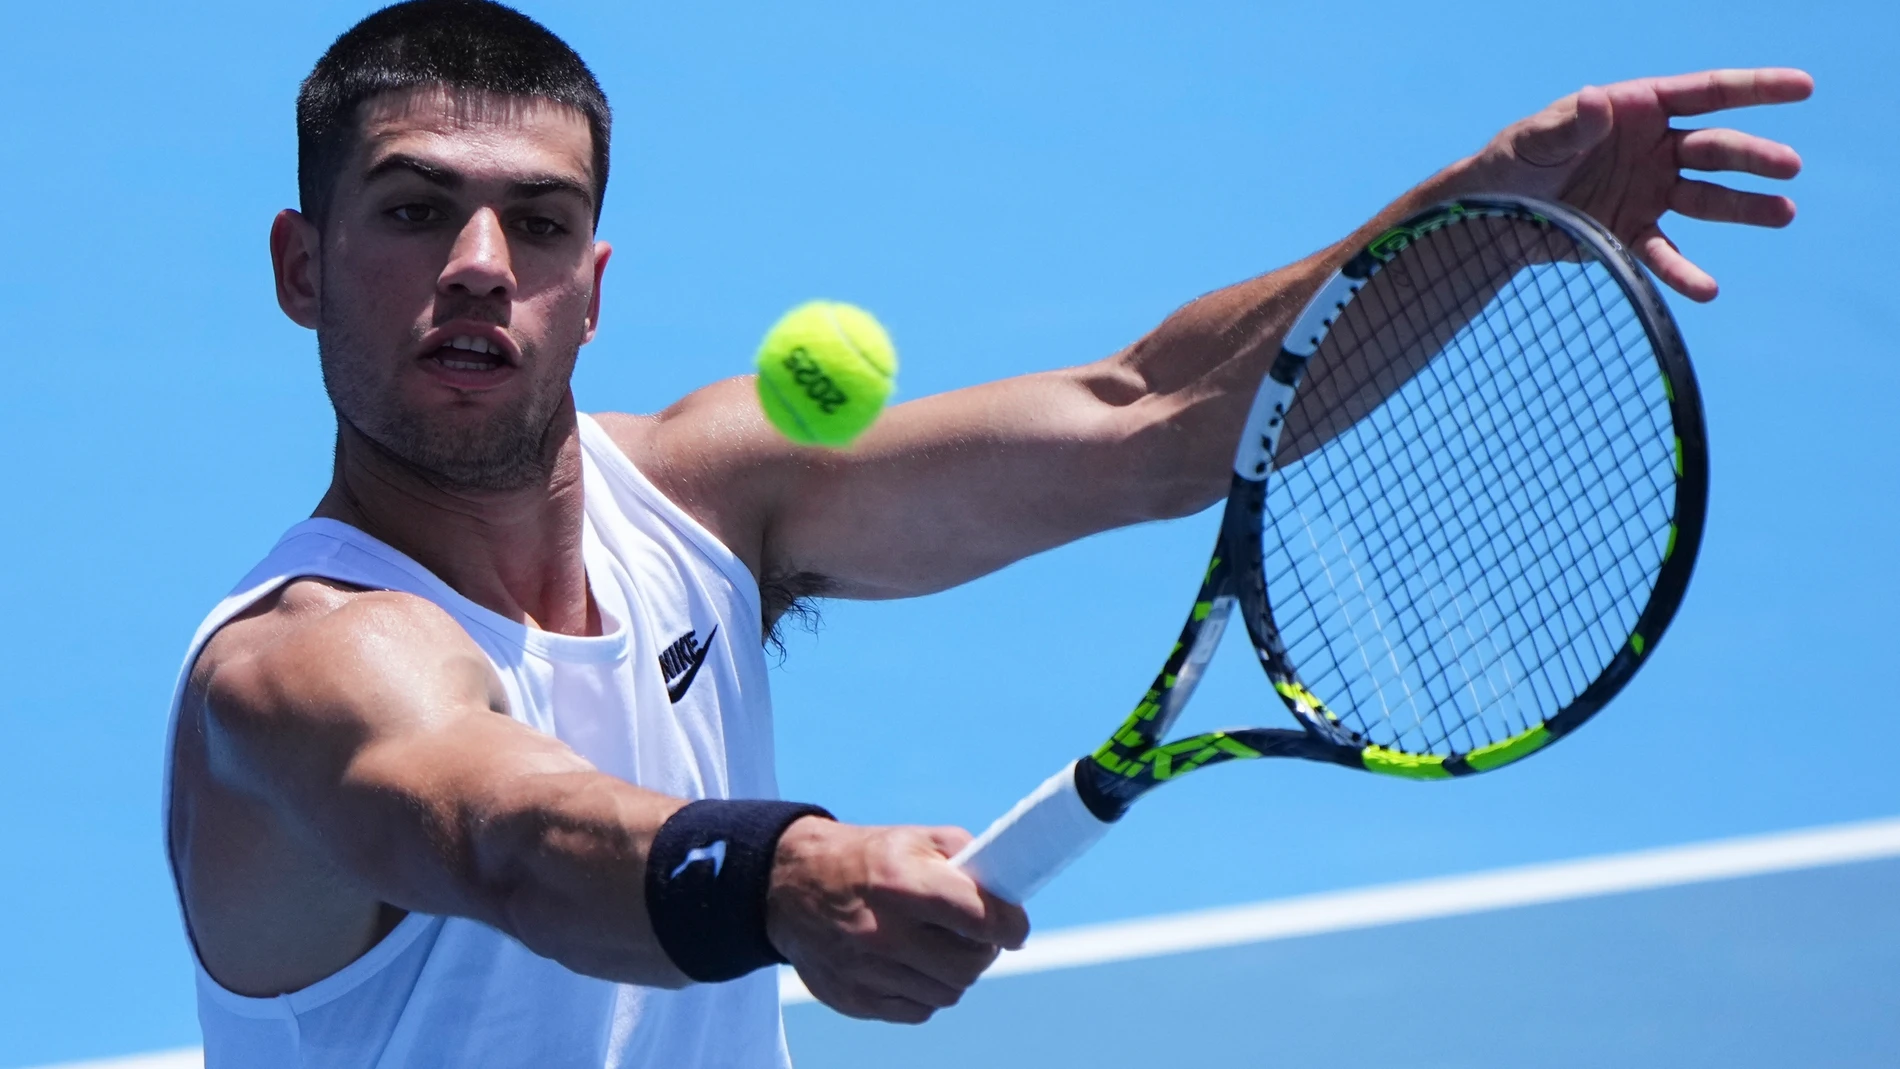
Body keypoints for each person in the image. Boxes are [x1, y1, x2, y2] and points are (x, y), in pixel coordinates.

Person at [161, 0, 1811, 1065]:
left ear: (593, 293)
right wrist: (793, 871)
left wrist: (1485, 221)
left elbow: (1149, 414)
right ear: (302, 267)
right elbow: (508, 836)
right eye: (410, 209)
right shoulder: (304, 666)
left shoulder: (716, 493)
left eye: (536, 222)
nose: (475, 262)